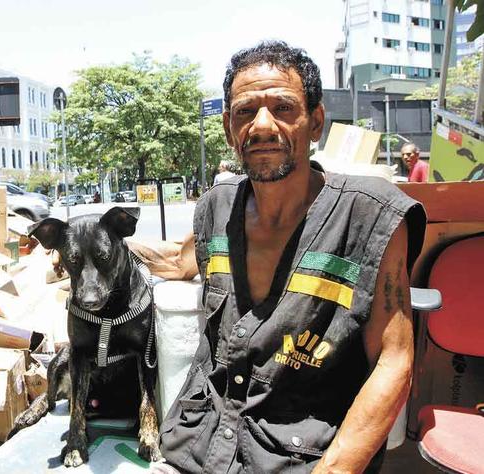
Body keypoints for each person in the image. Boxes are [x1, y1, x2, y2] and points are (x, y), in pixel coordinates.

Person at [156, 41, 426, 473]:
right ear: (229, 128)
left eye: (282, 107)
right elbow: (180, 261)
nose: (262, 125)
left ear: (315, 122)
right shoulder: (215, 208)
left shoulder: (369, 215)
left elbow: (394, 362)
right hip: (199, 442)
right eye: (245, 112)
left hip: (305, 455)